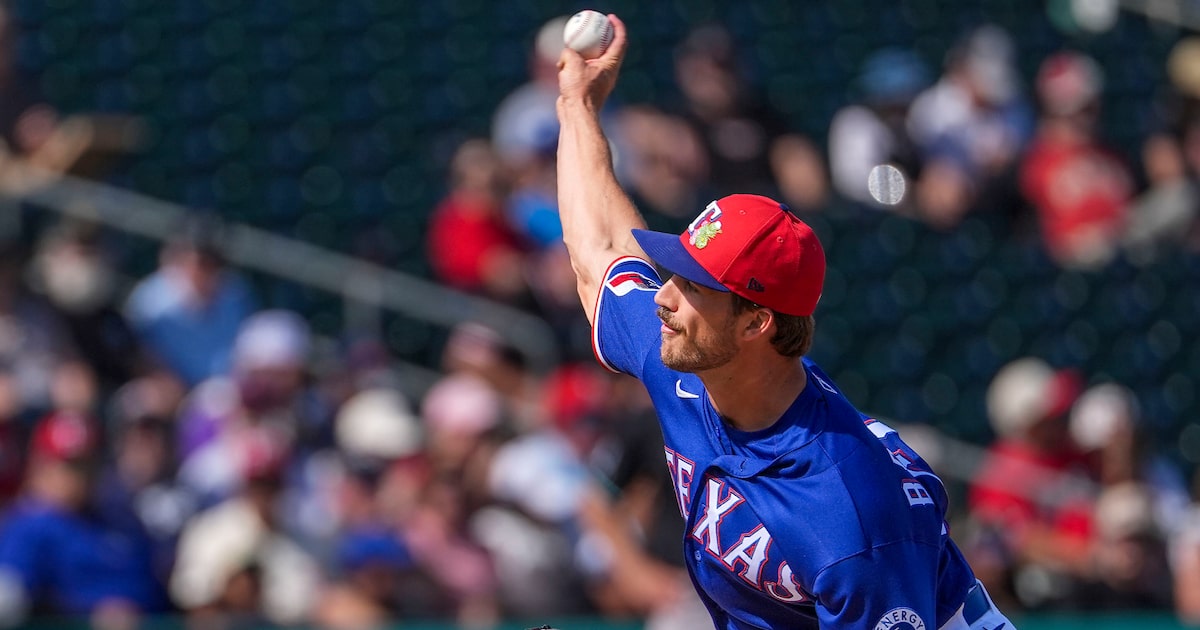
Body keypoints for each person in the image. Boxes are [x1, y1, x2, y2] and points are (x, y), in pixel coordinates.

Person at [553, 14, 1013, 630]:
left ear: (755, 323)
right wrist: (577, 105)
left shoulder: (851, 516)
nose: (664, 297)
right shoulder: (690, 369)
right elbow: (602, 250)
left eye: (693, 286)